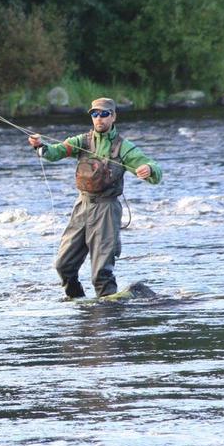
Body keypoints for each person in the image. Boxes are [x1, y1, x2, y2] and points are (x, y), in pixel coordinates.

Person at [28, 98, 162, 298]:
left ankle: (108, 314)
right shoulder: (82, 141)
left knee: (101, 273)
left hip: (107, 210)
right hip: (82, 207)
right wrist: (40, 146)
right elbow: (55, 152)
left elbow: (154, 169)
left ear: (113, 116)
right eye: (95, 114)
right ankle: (77, 302)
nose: (99, 119)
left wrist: (148, 169)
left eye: (104, 114)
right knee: (63, 266)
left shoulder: (123, 147)